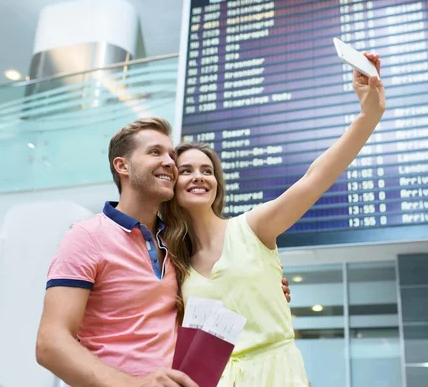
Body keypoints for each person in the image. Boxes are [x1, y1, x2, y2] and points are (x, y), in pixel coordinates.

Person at [159, 52, 385, 386]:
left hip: (275, 375)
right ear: (171, 183)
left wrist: (369, 114)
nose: (199, 177)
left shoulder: (252, 228)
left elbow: (314, 179)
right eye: (187, 170)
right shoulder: (174, 261)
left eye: (207, 171)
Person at [35, 116, 293, 387]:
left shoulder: (177, 245)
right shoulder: (85, 237)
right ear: (122, 165)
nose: (170, 162)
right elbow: (50, 343)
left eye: (171, 155)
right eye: (155, 152)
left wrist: (265, 285)